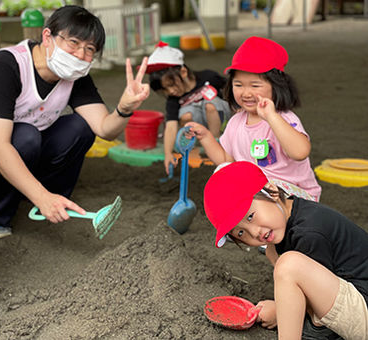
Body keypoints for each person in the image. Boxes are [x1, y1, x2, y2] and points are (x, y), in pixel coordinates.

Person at [0, 5, 150, 238]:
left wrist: (124, 109)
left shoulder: (74, 75)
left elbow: (105, 129)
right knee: (26, 136)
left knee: (79, 128)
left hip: (19, 142)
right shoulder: (4, 68)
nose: (80, 55)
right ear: (47, 37)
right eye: (73, 43)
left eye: (89, 49)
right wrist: (41, 196)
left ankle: (45, 200)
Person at [203, 161, 368, 340]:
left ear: (272, 192)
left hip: (363, 308)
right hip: (353, 298)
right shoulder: (292, 216)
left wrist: (280, 312)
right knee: (283, 262)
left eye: (250, 216)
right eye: (241, 233)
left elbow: (317, 303)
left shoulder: (310, 232)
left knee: (289, 266)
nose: (255, 233)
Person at [185, 36, 321, 201]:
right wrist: (205, 136)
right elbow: (225, 160)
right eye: (238, 85)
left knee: (258, 189)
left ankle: (263, 221)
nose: (246, 93)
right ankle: (252, 221)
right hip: (259, 193)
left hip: (295, 196)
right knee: (223, 172)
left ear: (277, 86)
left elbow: (300, 152)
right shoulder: (236, 122)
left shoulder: (283, 118)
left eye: (255, 85)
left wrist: (271, 116)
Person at [146, 41, 231, 175]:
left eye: (172, 84)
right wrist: (168, 153)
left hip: (222, 120)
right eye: (165, 89)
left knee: (210, 104)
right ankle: (199, 145)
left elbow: (232, 91)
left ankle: (216, 143)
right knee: (186, 116)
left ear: (183, 72)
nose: (171, 91)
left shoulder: (209, 77)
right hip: (201, 127)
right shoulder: (173, 99)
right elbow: (171, 126)